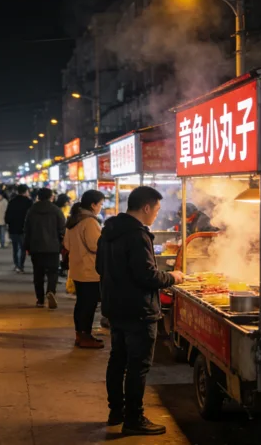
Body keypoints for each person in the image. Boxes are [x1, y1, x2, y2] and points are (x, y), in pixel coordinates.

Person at [97, 186, 183, 435]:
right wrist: (173, 277)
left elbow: (99, 266)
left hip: (115, 307)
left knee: (118, 360)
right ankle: (134, 419)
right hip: (139, 309)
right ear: (146, 207)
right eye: (156, 209)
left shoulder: (109, 231)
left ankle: (116, 411)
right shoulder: (137, 235)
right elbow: (147, 275)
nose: (157, 214)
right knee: (138, 366)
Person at [64, 190, 106, 349]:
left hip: (77, 269)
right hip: (89, 270)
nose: (101, 207)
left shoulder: (74, 219)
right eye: (100, 204)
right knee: (88, 305)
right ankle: (85, 337)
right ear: (93, 205)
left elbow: (66, 244)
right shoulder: (89, 222)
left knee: (81, 303)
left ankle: (80, 335)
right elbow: (96, 246)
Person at [25, 188, 66, 309]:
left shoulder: (32, 210)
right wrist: (62, 244)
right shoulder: (56, 210)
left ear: (38, 197)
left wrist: (27, 246)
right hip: (53, 247)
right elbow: (62, 229)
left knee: (38, 274)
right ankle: (51, 292)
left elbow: (27, 230)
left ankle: (40, 300)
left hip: (36, 247)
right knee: (53, 272)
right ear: (51, 197)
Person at [5, 185, 34, 273]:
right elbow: (31, 216)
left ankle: (17, 264)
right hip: (23, 229)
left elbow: (7, 217)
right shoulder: (29, 202)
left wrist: (9, 224)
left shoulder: (12, 201)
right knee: (22, 248)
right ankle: (20, 265)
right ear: (26, 191)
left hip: (13, 229)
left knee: (15, 248)